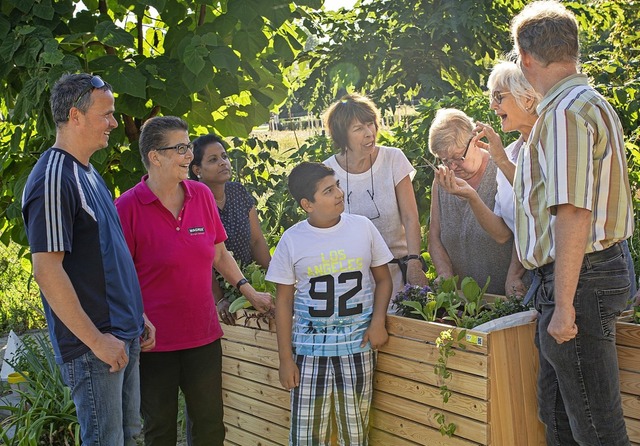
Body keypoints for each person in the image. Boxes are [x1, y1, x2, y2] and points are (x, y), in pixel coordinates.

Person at [512, 1, 634, 444]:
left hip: (579, 279)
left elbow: (573, 210)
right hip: (579, 276)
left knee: (596, 430)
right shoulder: (583, 103)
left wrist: (563, 305)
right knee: (561, 418)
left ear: (525, 58)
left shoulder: (565, 112)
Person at [115, 116, 273, 446]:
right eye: (181, 148)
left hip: (203, 336)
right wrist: (135, 320)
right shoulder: (127, 207)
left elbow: (219, 254)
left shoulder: (200, 195)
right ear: (155, 156)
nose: (189, 155)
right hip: (154, 344)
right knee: (160, 430)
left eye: (189, 147)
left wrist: (249, 290)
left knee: (210, 427)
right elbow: (118, 276)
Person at [21, 72, 155, 445]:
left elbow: (107, 254)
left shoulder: (89, 173)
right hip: (95, 346)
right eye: (106, 114)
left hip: (122, 333)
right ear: (75, 116)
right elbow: (46, 270)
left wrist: (137, 313)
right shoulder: (52, 177)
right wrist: (96, 341)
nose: (114, 122)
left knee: (129, 436)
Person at [266, 162, 393, 445]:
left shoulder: (363, 228)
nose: (339, 193)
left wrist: (377, 322)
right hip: (309, 355)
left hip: (357, 349)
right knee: (307, 436)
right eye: (328, 190)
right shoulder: (292, 240)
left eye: (336, 185)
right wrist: (285, 359)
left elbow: (384, 280)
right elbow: (283, 301)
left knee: (355, 433)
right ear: (307, 204)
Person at [323, 93, 427, 306]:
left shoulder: (393, 159)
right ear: (343, 136)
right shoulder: (328, 172)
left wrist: (415, 262)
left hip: (396, 273)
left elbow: (410, 217)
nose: (369, 133)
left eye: (370, 124)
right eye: (358, 129)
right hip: (350, 283)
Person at [427, 108, 513, 295]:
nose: (452, 167)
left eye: (458, 158)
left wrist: (471, 196)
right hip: (464, 302)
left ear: (475, 142)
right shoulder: (442, 180)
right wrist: (444, 274)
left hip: (506, 295)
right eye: (444, 160)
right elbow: (434, 235)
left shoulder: (501, 171)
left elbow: (505, 235)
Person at [189, 133, 271, 325]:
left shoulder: (238, 192)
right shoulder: (193, 201)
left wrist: (274, 278)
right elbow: (201, 257)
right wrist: (218, 298)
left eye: (224, 156)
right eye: (213, 159)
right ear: (197, 169)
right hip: (213, 292)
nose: (223, 162)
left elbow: (257, 240)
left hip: (247, 282)